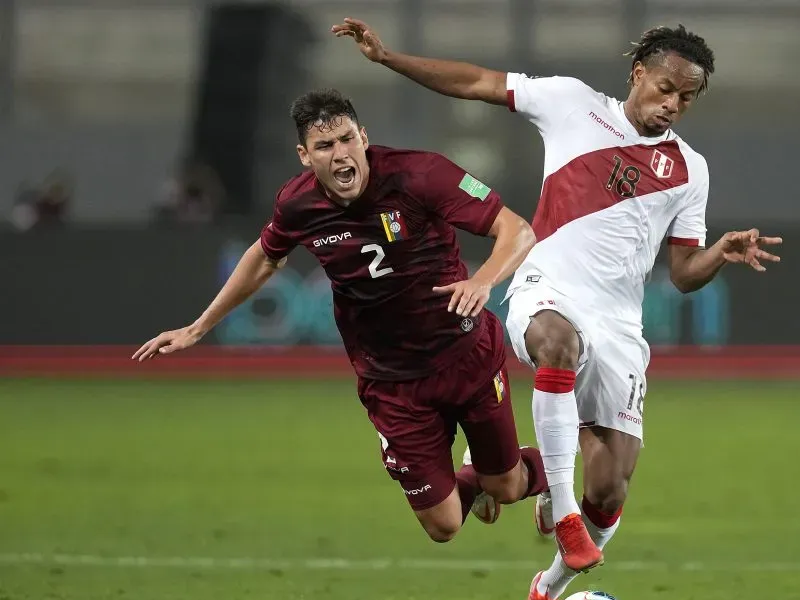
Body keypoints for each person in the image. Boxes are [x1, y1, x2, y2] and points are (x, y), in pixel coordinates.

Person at [334, 20, 783, 600]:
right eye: (664, 88)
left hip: (620, 322)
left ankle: (545, 591)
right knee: (555, 344)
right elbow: (475, 82)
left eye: (686, 98)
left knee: (614, 486)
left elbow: (682, 275)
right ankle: (563, 515)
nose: (672, 104)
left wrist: (718, 252)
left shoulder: (689, 169)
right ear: (638, 74)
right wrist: (387, 58)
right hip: (549, 287)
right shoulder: (572, 103)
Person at [133, 89, 549, 543]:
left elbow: (517, 229)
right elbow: (265, 256)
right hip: (391, 382)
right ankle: (477, 474)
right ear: (305, 156)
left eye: (347, 139)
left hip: (466, 354)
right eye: (325, 146)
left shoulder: (421, 173)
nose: (340, 154)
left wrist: (483, 279)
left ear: (363, 136)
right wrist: (198, 327)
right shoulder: (297, 205)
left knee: (506, 488)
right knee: (444, 525)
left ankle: (550, 485)